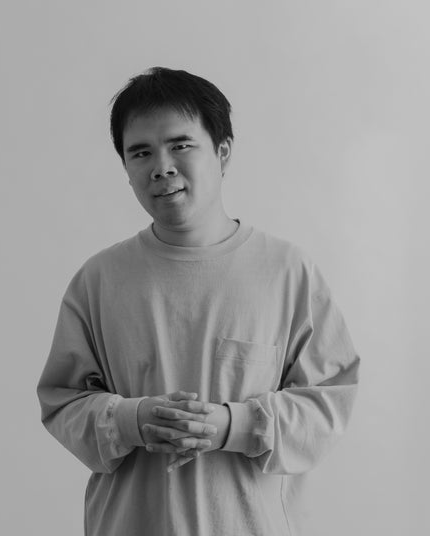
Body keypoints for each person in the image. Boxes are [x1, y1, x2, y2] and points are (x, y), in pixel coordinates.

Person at [37, 67, 360, 536]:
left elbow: (330, 401)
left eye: (181, 145)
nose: (162, 167)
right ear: (125, 168)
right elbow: (60, 402)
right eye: (140, 152)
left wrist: (233, 424)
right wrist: (130, 420)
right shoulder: (98, 280)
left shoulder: (287, 272)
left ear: (222, 151)